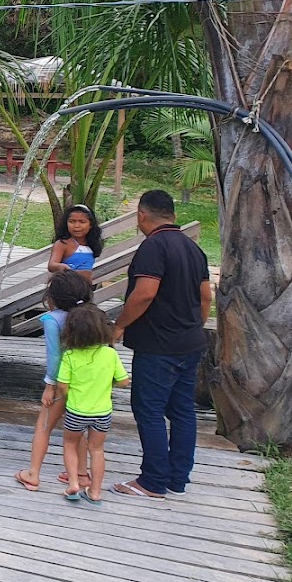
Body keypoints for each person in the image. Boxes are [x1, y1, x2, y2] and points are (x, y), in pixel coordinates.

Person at [111, 190, 212, 500]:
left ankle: (153, 481)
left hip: (158, 345)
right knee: (182, 411)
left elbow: (144, 294)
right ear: (172, 214)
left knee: (149, 410)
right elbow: (206, 296)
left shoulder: (153, 247)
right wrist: (195, 326)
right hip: (190, 343)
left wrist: (119, 325)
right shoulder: (193, 248)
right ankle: (177, 479)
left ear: (141, 215)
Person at [13, 271, 94, 491]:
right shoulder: (90, 316)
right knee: (77, 427)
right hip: (84, 383)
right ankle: (81, 473)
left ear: (53, 298)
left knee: (44, 426)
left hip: (61, 382)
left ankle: (32, 474)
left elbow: (55, 356)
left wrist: (50, 386)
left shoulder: (51, 320)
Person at [56, 301, 130, 504]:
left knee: (70, 444)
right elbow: (124, 381)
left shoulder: (70, 356)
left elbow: (62, 385)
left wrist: (71, 394)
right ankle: (95, 491)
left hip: (76, 410)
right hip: (102, 412)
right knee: (97, 450)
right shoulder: (110, 353)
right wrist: (107, 385)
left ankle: (73, 483)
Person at [48, 203, 103, 281]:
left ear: (91, 225)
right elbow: (52, 265)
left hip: (85, 288)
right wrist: (64, 267)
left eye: (82, 222)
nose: (76, 225)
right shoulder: (63, 244)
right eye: (72, 221)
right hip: (66, 286)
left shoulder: (91, 244)